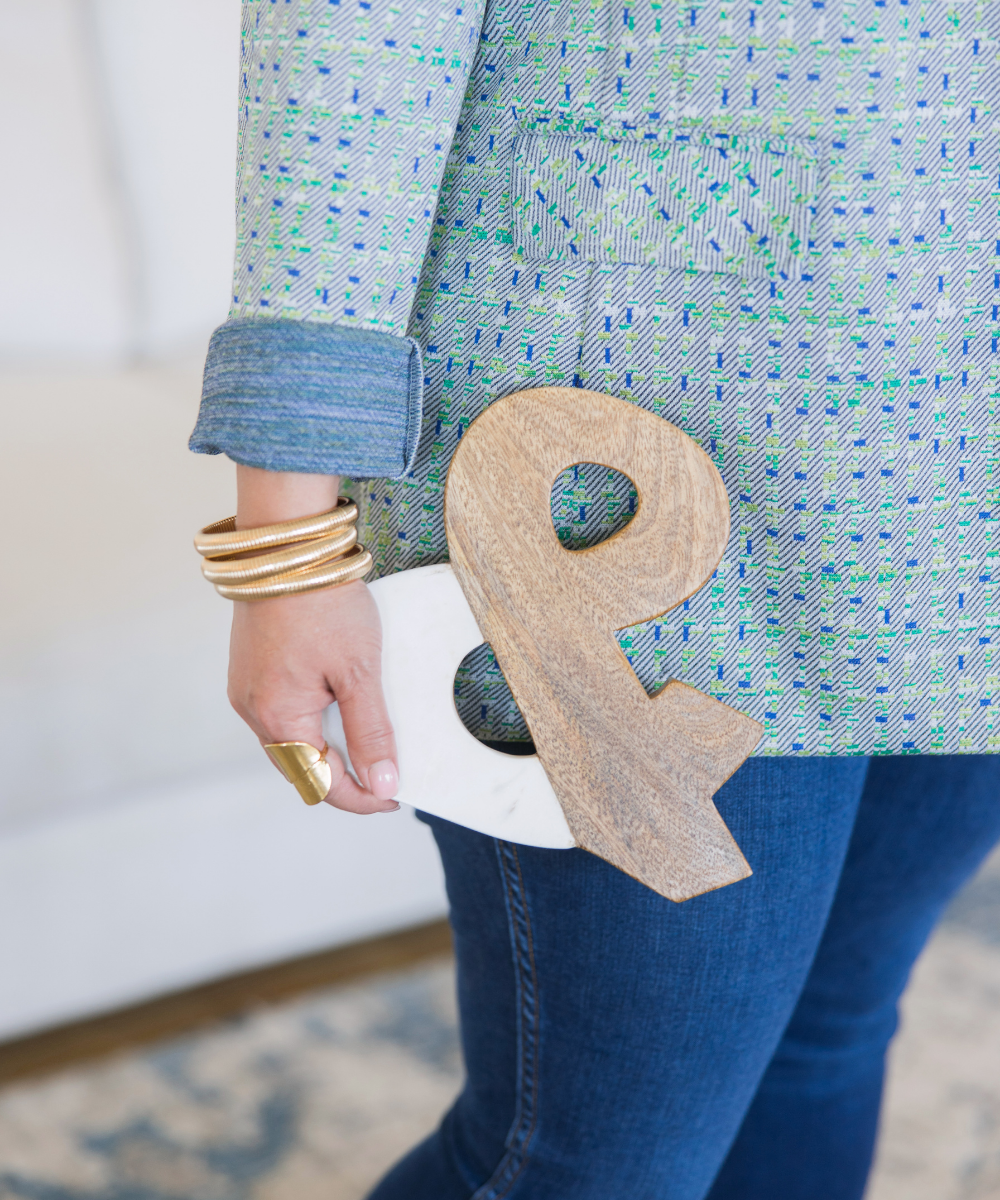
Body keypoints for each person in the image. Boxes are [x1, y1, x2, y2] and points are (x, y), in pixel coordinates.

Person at [189, 0, 1000, 1195]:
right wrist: (288, 544)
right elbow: (353, 48)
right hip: (636, 449)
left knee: (822, 1034)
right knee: (590, 1163)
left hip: (963, 491)